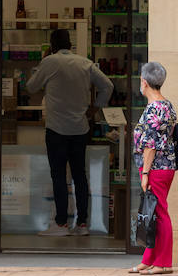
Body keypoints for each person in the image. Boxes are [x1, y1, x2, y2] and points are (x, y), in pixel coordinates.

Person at [25, 28, 113, 237]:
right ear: (70, 44)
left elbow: (30, 87)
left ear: (52, 45)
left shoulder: (49, 62)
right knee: (79, 175)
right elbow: (107, 86)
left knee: (58, 176)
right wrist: (96, 107)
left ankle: (61, 223)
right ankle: (82, 224)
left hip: (56, 129)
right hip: (80, 128)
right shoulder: (85, 63)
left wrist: (43, 62)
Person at [130, 61, 178, 275]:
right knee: (153, 214)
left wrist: (146, 174)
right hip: (165, 166)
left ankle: (163, 263)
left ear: (145, 82)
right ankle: (149, 259)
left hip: (155, 168)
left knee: (160, 213)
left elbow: (150, 145)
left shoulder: (153, 110)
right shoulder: (166, 105)